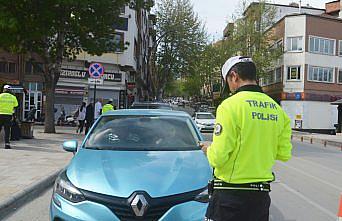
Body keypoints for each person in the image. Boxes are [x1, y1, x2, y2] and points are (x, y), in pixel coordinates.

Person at [201, 56, 292, 221]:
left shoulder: (229, 106)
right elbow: (284, 154)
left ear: (234, 76)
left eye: (228, 82)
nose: (229, 87)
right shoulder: (278, 110)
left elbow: (218, 157)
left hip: (230, 198)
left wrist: (208, 150)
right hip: (260, 200)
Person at [0, 85, 18, 149]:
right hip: (8, 115)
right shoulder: (13, 97)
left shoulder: (0, 96)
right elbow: (16, 105)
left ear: (4, 89)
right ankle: (7, 144)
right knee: (7, 130)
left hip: (0, 114)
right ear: (10, 90)